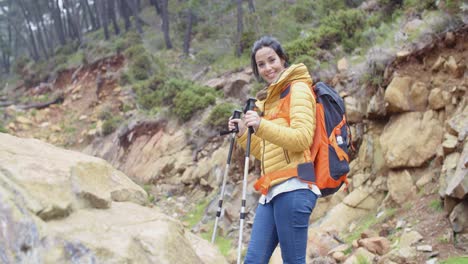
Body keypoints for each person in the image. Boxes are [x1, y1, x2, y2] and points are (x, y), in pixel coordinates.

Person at [228, 36, 321, 264]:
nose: (268, 68)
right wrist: (242, 133)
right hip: (271, 190)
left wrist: (261, 124)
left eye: (272, 60)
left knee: (292, 261)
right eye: (261, 64)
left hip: (295, 185)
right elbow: (266, 152)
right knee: (254, 260)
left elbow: (302, 139)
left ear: (283, 59)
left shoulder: (297, 89)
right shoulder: (269, 100)